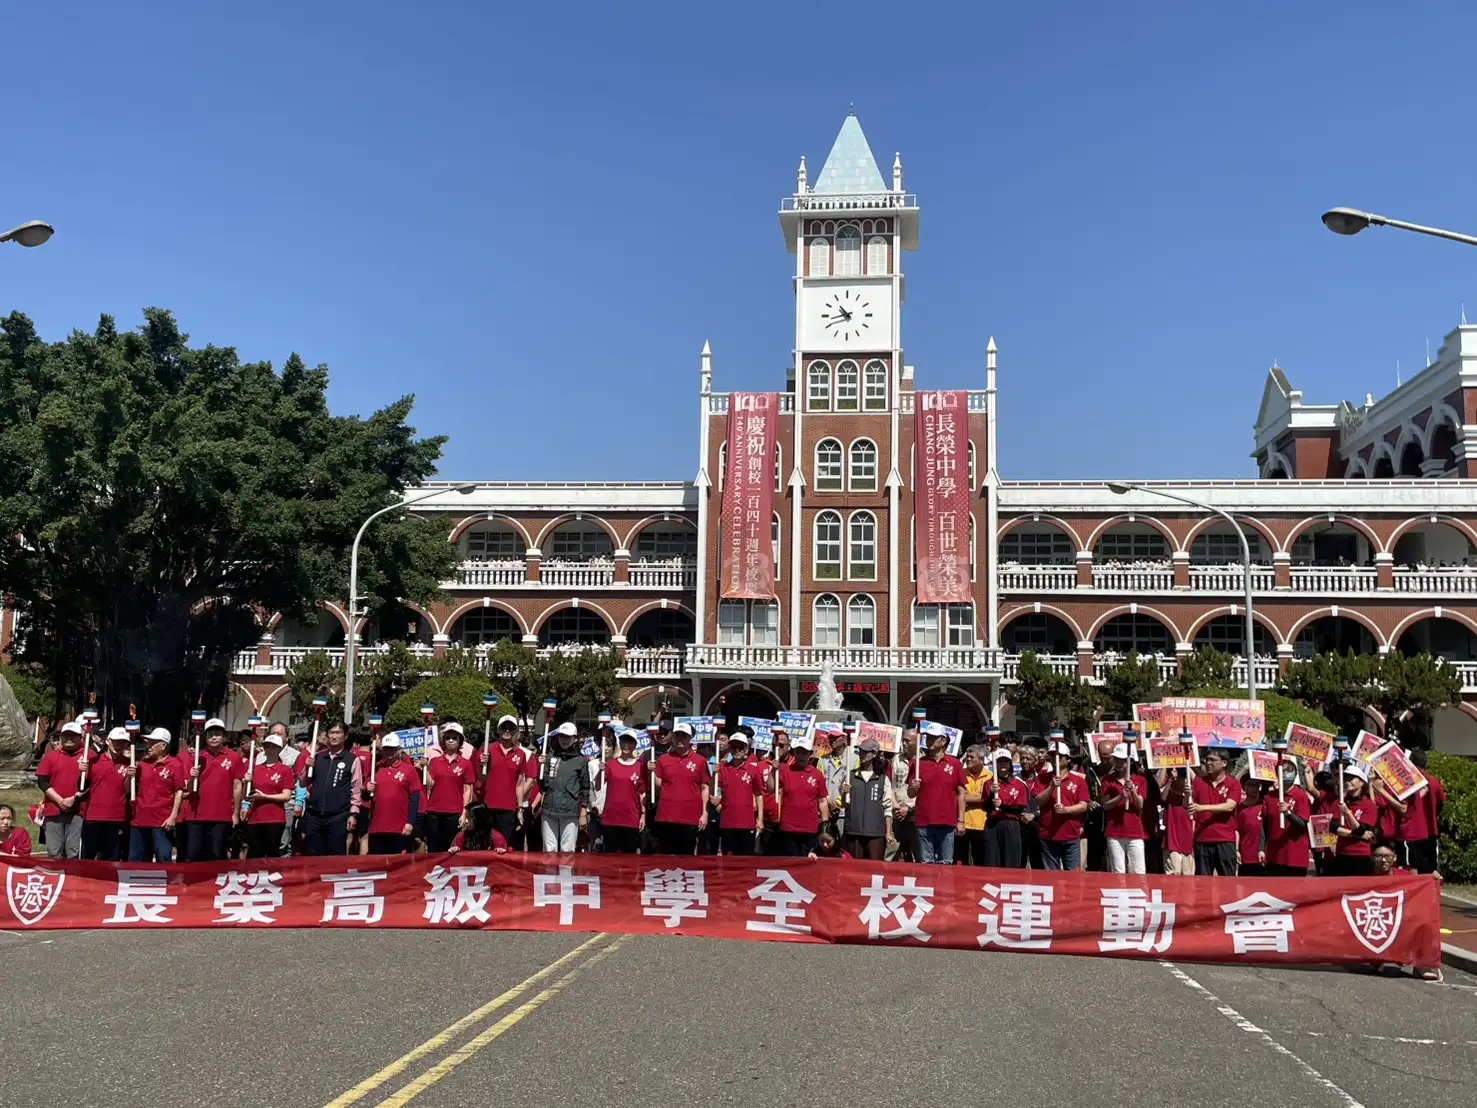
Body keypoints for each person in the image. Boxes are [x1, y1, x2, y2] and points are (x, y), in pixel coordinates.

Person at [179, 717, 247, 862]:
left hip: (221, 815)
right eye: (210, 734)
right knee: (194, 855)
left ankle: (216, 884)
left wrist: (235, 813)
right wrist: (192, 777)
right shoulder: (198, 757)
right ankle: (193, 884)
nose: (213, 737)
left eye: (217, 734)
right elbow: (188, 789)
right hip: (196, 814)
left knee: (217, 854)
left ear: (224, 736)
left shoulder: (234, 758)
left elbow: (237, 786)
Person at [299, 721, 363, 856]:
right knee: (313, 855)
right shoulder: (317, 757)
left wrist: (353, 814)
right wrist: (307, 767)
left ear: (345, 736)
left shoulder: (352, 760)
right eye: (331, 733)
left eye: (338, 733)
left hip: (338, 816)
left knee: (335, 856)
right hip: (314, 815)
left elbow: (356, 789)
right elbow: (303, 783)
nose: (334, 736)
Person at [908, 728, 966, 865]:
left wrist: (961, 821)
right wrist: (913, 787)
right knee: (926, 863)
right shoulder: (917, 764)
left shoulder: (955, 764)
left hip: (947, 821)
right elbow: (910, 793)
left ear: (943, 741)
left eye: (933, 738)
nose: (929, 741)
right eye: (927, 737)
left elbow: (961, 793)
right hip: (924, 821)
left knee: (946, 862)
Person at [653, 722, 710, 855]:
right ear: (672, 737)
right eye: (677, 735)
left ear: (690, 738)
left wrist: (705, 813)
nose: (680, 739)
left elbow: (704, 788)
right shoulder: (662, 760)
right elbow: (658, 785)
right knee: (666, 858)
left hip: (690, 817)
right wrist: (651, 772)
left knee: (687, 857)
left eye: (683, 736)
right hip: (666, 816)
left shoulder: (700, 761)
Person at [129, 728, 185, 862]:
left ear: (163, 745)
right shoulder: (142, 764)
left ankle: (165, 884)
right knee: (137, 860)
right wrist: (129, 776)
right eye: (148, 742)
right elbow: (128, 789)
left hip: (162, 821)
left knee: (163, 858)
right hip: (139, 820)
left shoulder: (175, 765)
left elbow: (179, 791)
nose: (148, 746)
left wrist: (173, 816)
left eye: (152, 743)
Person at [479, 715, 532, 852]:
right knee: (487, 846)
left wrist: (520, 808)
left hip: (508, 808)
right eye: (504, 727)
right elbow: (481, 778)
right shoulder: (487, 750)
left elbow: (520, 784)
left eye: (511, 728)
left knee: (504, 846)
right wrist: (482, 764)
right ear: (498, 730)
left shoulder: (520, 754)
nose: (507, 731)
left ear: (516, 732)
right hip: (488, 806)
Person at [538, 722, 591, 854]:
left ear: (575, 739)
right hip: (549, 809)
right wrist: (540, 765)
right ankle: (549, 875)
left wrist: (583, 813)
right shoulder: (549, 757)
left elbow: (585, 788)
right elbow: (542, 783)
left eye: (568, 737)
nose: (564, 740)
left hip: (570, 812)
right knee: (549, 850)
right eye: (562, 736)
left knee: (568, 851)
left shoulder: (581, 760)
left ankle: (566, 875)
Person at [36, 720, 86, 858]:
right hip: (53, 810)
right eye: (66, 735)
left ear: (80, 737)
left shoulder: (88, 756)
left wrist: (74, 798)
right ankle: (56, 878)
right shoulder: (51, 756)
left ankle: (73, 879)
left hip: (77, 811)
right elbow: (42, 781)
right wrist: (60, 800)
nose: (69, 738)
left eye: (73, 735)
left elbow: (91, 783)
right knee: (54, 851)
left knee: (73, 851)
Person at [1036, 739, 1088, 871]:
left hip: (1070, 835)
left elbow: (1083, 806)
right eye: (1052, 755)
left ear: (1068, 759)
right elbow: (1038, 801)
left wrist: (1066, 810)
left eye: (1059, 755)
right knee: (1051, 878)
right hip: (1048, 835)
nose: (1055, 758)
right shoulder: (1042, 778)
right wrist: (1051, 787)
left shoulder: (1078, 780)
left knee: (1073, 877)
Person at [365, 733, 422, 855]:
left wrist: (410, 822)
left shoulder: (409, 770)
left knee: (399, 865)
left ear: (399, 750)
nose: (389, 752)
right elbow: (365, 795)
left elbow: (414, 798)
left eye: (392, 748)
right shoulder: (377, 768)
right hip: (377, 827)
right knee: (377, 864)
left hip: (399, 827)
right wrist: (367, 789)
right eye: (386, 748)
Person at [82, 727, 133, 861]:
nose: (119, 745)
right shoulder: (93, 762)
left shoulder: (129, 765)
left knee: (112, 857)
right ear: (108, 741)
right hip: (93, 816)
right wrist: (82, 771)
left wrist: (130, 777)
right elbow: (81, 787)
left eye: (123, 742)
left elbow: (128, 791)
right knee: (88, 856)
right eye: (116, 742)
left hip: (116, 818)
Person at [424, 721, 475, 852]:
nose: (450, 741)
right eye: (447, 738)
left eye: (454, 738)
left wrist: (465, 812)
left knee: (453, 849)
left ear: (460, 741)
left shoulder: (466, 764)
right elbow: (430, 785)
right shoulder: (434, 761)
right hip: (434, 811)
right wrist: (424, 768)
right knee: (434, 850)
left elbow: (467, 789)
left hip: (454, 812)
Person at [775, 734, 829, 857]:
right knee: (790, 863)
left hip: (810, 828)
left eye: (804, 753)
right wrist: (774, 771)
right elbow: (772, 788)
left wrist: (825, 825)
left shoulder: (817, 775)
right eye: (798, 752)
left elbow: (822, 801)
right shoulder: (784, 770)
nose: (801, 756)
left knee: (808, 864)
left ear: (810, 754)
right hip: (788, 827)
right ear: (794, 753)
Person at [841, 737, 893, 861]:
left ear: (874, 754)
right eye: (860, 751)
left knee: (875, 870)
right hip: (853, 831)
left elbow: (888, 808)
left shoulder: (882, 778)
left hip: (876, 833)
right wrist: (844, 794)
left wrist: (888, 832)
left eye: (865, 751)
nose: (862, 754)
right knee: (853, 870)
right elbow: (843, 804)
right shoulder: (850, 776)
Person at [715, 729, 764, 855]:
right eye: (734, 747)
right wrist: (717, 800)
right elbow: (715, 790)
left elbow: (759, 794)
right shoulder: (722, 768)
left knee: (746, 860)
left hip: (747, 823)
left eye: (740, 747)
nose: (737, 751)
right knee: (728, 860)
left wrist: (760, 818)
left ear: (746, 749)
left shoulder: (753, 769)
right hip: (727, 823)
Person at [1100, 744, 1147, 875]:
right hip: (1114, 833)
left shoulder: (1140, 780)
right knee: (1118, 871)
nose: (1119, 763)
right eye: (1116, 759)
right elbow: (1105, 805)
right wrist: (1120, 796)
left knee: (1138, 871)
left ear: (1130, 761)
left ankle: (1138, 895)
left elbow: (1140, 805)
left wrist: (1133, 792)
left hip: (1135, 832)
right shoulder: (1107, 780)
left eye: (1122, 759)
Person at [1396, 750, 1444, 874]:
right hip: (1430, 831)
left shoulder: (1406, 781)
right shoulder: (1434, 783)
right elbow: (1440, 804)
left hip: (1410, 830)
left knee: (1410, 869)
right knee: (1430, 870)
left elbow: (1402, 807)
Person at [1262, 760, 1312, 877]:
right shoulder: (1270, 797)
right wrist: (1261, 848)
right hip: (1274, 856)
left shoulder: (1301, 796)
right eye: (1283, 771)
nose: (1286, 774)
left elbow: (1302, 824)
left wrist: (1288, 813)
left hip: (1295, 857)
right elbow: (1265, 825)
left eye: (1289, 771)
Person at [600, 730, 646, 854]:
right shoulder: (610, 765)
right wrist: (600, 771)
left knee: (629, 860)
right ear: (619, 743)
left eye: (630, 742)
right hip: (610, 818)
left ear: (635, 745)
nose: (626, 745)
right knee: (609, 858)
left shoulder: (640, 767)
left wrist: (643, 814)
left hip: (631, 819)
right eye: (624, 741)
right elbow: (598, 786)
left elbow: (642, 792)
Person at [983, 748, 1028, 868]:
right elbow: (986, 807)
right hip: (993, 824)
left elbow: (1019, 809)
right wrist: (992, 793)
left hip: (1011, 824)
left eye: (1006, 761)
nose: (1003, 764)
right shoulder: (989, 783)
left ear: (1010, 764)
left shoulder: (1019, 785)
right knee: (992, 861)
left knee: (1011, 862)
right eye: (999, 761)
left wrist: (1002, 806)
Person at [1332, 762, 1378, 876]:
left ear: (1361, 782)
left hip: (1361, 855)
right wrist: (1356, 834)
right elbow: (1333, 827)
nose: (1348, 781)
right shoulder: (1339, 802)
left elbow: (1362, 829)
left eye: (1352, 778)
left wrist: (1348, 813)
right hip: (1342, 853)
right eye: (1346, 778)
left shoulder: (1369, 805)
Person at [960, 745, 993, 866]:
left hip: (982, 824)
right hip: (963, 822)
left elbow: (987, 798)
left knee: (981, 860)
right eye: (967, 756)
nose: (968, 759)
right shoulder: (961, 774)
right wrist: (978, 798)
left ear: (981, 759)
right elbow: (955, 796)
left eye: (971, 757)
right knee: (961, 860)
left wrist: (964, 798)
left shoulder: (990, 776)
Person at [1236, 777, 1265, 877]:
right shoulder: (1240, 809)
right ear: (1244, 788)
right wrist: (1236, 850)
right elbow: (1237, 831)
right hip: (1247, 856)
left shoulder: (1265, 805)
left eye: (1256, 785)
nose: (1254, 788)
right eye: (1250, 785)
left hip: (1264, 856)